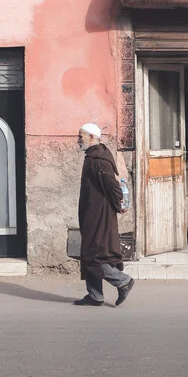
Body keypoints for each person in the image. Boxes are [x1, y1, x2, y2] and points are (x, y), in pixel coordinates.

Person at [74, 123, 135, 307]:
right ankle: (95, 296)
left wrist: (119, 204)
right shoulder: (93, 156)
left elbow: (112, 186)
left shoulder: (98, 160)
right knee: (89, 252)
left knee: (94, 255)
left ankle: (122, 281)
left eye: (81, 136)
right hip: (92, 213)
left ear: (91, 137)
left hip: (99, 215)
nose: (78, 140)